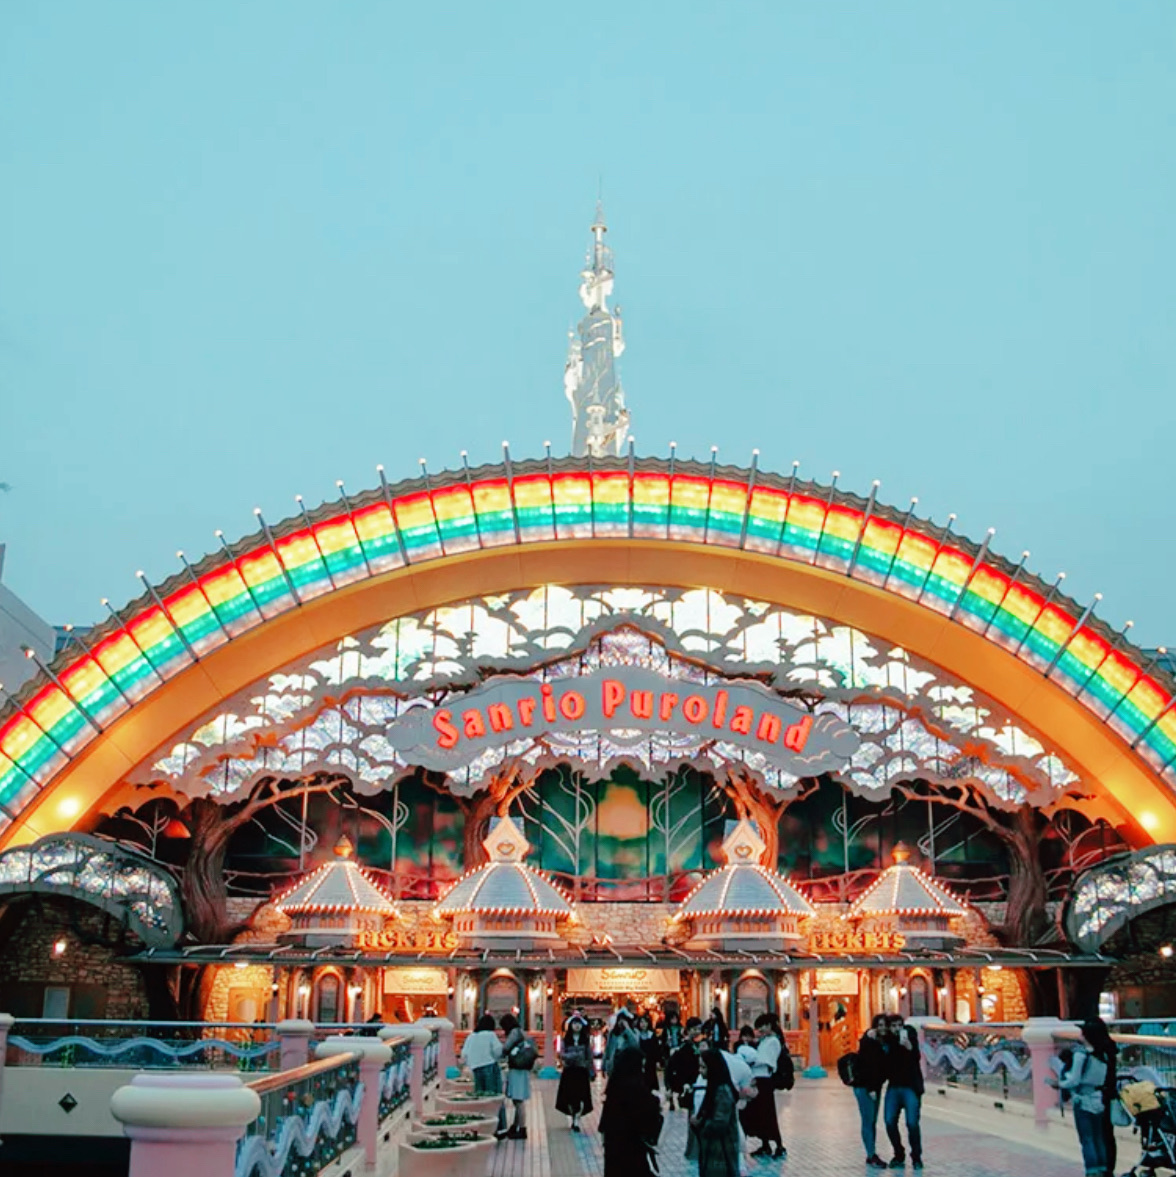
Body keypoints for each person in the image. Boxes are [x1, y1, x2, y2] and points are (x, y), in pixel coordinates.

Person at [1048, 1018, 1116, 1177]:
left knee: (1087, 1138)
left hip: (1083, 1098)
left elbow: (1074, 1079)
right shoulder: (1105, 1054)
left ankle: (1092, 1171)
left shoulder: (1081, 1055)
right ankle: (1103, 1168)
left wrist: (1059, 1084)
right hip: (1098, 1097)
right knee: (1099, 1136)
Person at [599, 1046, 663, 1177]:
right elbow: (646, 1115)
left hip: (614, 1148)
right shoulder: (635, 1088)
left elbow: (605, 1122)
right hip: (631, 1147)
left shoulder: (614, 1087)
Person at [881, 1014, 924, 1170]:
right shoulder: (887, 1042)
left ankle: (916, 1156)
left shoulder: (910, 1035)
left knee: (912, 1123)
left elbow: (917, 1056)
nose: (897, 1029)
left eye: (899, 1025)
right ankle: (899, 1153)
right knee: (889, 1121)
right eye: (893, 1026)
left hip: (910, 1086)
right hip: (894, 1086)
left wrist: (909, 1047)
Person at [742, 1014, 785, 1159]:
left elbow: (768, 1061)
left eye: (762, 1026)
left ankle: (778, 1144)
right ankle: (765, 1144)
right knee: (759, 1112)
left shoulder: (773, 1041)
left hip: (765, 1080)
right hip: (757, 1078)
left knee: (767, 1112)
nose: (760, 1029)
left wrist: (753, 1061)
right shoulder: (764, 1040)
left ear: (770, 1025)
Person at [692, 1049, 741, 1177]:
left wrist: (700, 1123)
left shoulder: (722, 1091)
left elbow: (719, 1123)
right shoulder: (714, 1087)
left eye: (703, 1067)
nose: (700, 1071)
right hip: (715, 1149)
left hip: (722, 1151)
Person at [851, 1014, 889, 1167]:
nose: (883, 1028)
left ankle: (871, 1152)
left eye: (884, 1025)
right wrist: (871, 1088)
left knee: (872, 1121)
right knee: (868, 1121)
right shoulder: (869, 1041)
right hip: (865, 1086)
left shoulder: (884, 1041)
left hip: (875, 1086)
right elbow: (868, 1066)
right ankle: (871, 1154)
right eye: (879, 1025)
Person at [496, 1013, 531, 1141]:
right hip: (522, 1068)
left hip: (517, 1069)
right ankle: (516, 1126)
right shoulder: (520, 1032)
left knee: (518, 1099)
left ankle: (522, 1129)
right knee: (517, 1100)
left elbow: (505, 1049)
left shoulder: (514, 1033)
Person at [556, 1017, 593, 1131]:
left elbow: (589, 1056)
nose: (577, 1026)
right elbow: (561, 1054)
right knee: (570, 1096)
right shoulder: (565, 1040)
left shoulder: (586, 1040)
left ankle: (577, 1119)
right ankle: (573, 1117)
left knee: (581, 1097)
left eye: (579, 1024)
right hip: (569, 1071)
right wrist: (575, 1055)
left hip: (581, 1071)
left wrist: (591, 1070)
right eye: (574, 1024)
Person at [461, 1013, 503, 1096]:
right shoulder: (491, 1035)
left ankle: (481, 1108)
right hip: (490, 1066)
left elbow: (464, 1054)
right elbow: (498, 1051)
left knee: (479, 1094)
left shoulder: (471, 1036)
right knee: (493, 1094)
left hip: (475, 1067)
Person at [666, 1018, 703, 1112]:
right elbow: (675, 1067)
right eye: (694, 1029)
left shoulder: (703, 1044)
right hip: (688, 1084)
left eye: (699, 1029)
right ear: (688, 1030)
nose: (697, 1032)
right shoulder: (684, 1048)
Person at [603, 1007, 640, 1077]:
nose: (621, 1023)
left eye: (624, 1020)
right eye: (620, 1020)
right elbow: (607, 1050)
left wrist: (628, 1029)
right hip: (615, 1062)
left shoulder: (634, 1032)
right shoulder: (613, 1034)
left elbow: (635, 1044)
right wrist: (604, 1066)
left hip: (629, 1064)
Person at [637, 1012, 661, 1091]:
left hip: (651, 1060)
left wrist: (657, 1060)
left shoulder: (651, 1035)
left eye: (645, 1022)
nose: (643, 1024)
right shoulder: (637, 1035)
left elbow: (656, 1049)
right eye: (641, 1022)